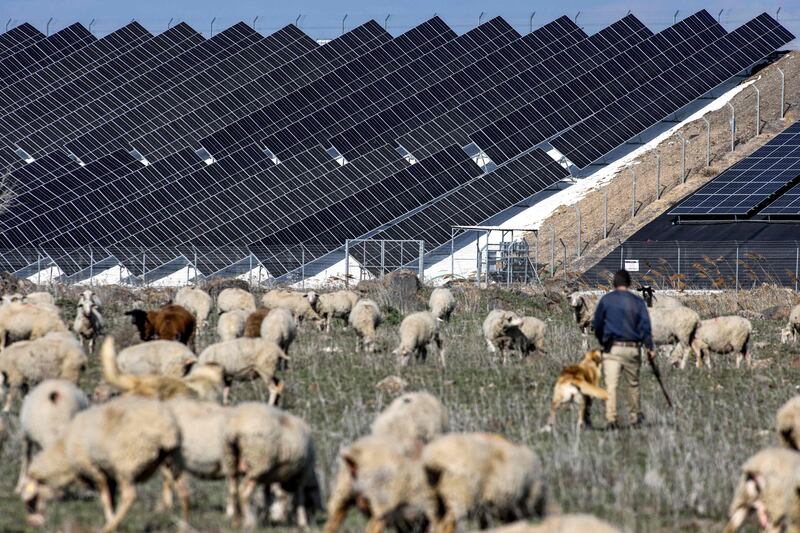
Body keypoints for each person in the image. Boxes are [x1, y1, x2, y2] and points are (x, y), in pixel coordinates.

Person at [592, 269, 655, 429]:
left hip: (612, 349)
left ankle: (611, 419)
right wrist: (649, 346)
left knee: (611, 386)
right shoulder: (638, 301)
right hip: (632, 348)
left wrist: (602, 341)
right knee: (633, 384)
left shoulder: (606, 300)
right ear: (629, 283)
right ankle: (635, 418)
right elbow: (645, 326)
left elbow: (597, 324)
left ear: (614, 283)